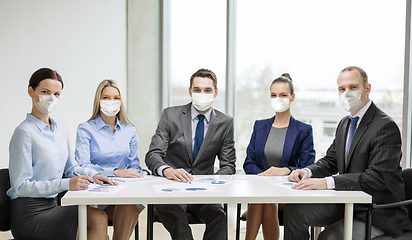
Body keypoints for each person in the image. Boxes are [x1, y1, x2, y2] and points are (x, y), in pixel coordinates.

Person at [284, 66, 412, 240]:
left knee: (328, 237)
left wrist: (326, 183)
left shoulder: (384, 126)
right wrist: (307, 172)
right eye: (341, 89)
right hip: (347, 203)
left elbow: (377, 178)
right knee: (295, 211)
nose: (346, 93)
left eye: (353, 87)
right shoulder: (345, 124)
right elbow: (331, 161)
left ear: (367, 89)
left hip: (376, 212)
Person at [7, 68, 117, 240]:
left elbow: (71, 167)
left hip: (53, 206)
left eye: (57, 94)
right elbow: (21, 187)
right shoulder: (24, 132)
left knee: (97, 221)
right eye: (45, 92)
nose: (51, 98)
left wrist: (94, 175)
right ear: (31, 91)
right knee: (96, 219)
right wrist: (67, 184)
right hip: (29, 214)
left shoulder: (61, 128)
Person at [145, 68, 236, 240]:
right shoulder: (170, 115)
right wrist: (168, 171)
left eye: (207, 90)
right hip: (172, 191)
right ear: (190, 91)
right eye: (197, 90)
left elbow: (228, 165)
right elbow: (153, 155)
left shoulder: (225, 122)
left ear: (215, 93)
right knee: (181, 227)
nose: (202, 94)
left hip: (204, 192)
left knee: (219, 217)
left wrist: (210, 183)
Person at [243, 73, 315, 240]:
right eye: (274, 95)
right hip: (262, 187)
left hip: (289, 190)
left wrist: (286, 170)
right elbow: (249, 163)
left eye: (283, 95)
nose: (278, 99)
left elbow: (309, 166)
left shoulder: (303, 130)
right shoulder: (259, 126)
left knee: (266, 200)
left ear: (292, 97)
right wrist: (263, 176)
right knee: (263, 199)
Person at [75, 79, 143, 240]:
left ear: (121, 102)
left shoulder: (130, 130)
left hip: (121, 192)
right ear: (98, 101)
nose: (111, 102)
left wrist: (132, 174)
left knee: (129, 205)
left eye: (115, 98)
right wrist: (115, 172)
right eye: (106, 97)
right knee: (128, 208)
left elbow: (135, 166)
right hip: (95, 192)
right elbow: (81, 165)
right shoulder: (85, 129)